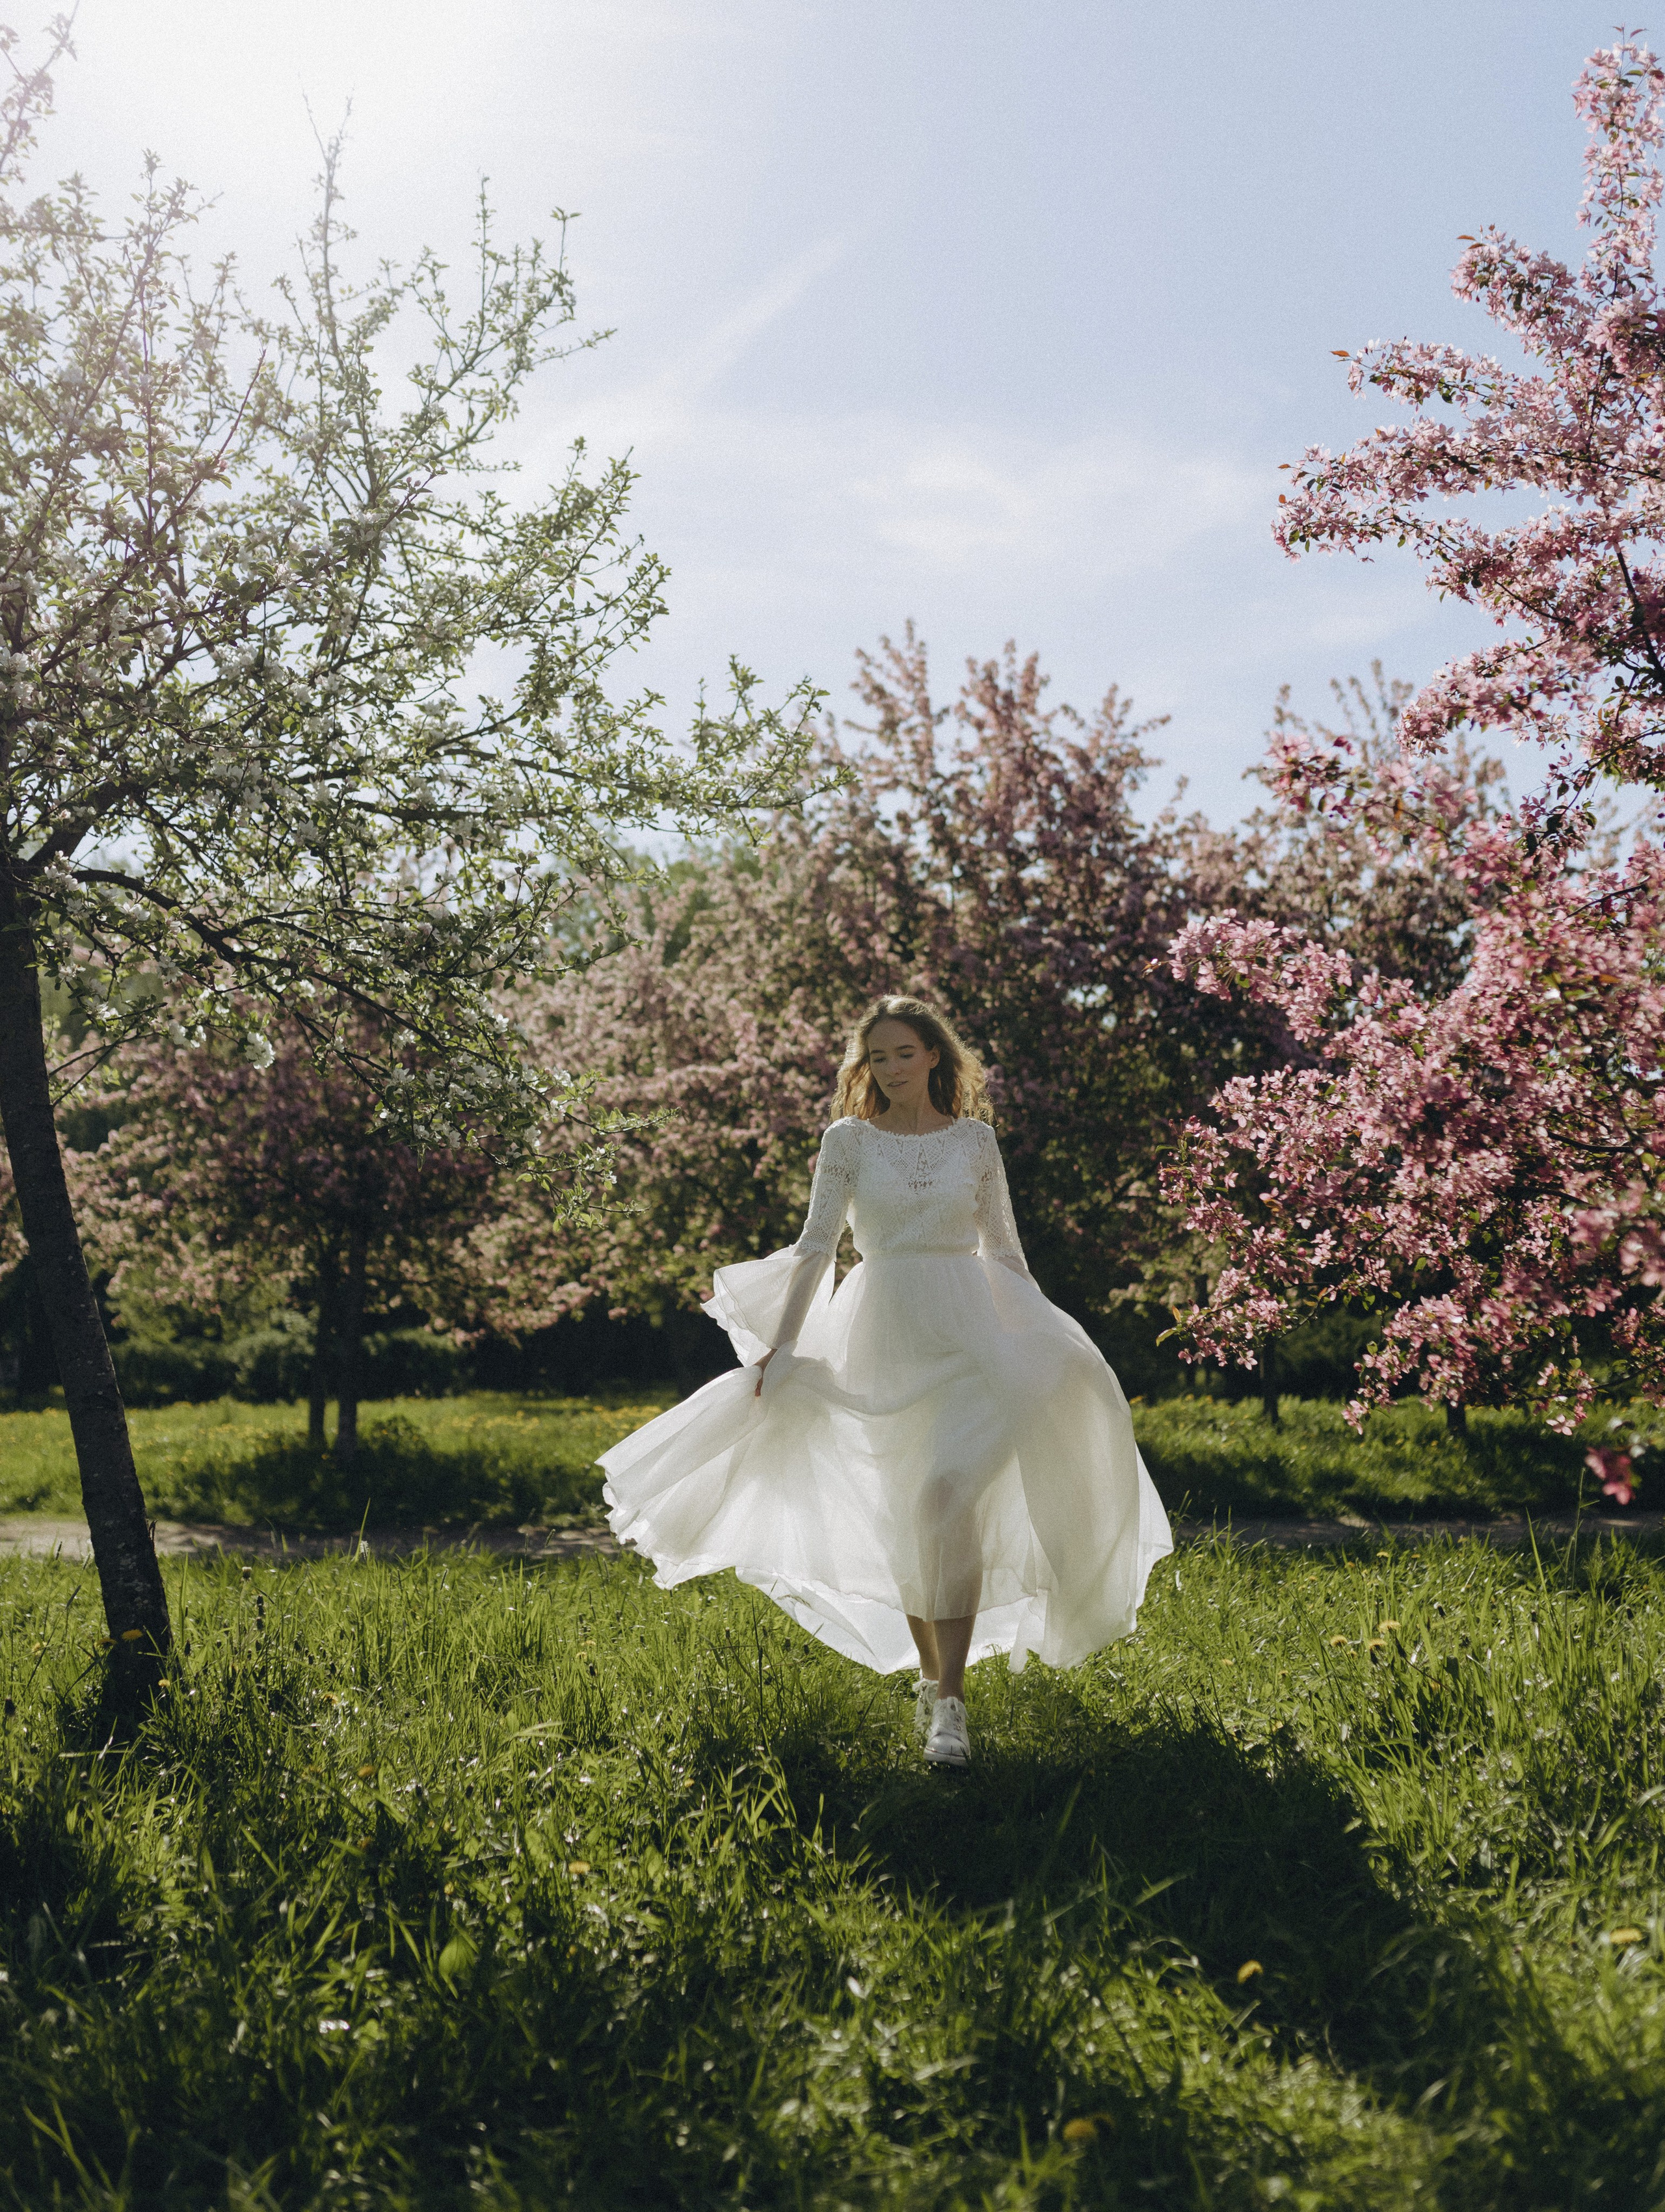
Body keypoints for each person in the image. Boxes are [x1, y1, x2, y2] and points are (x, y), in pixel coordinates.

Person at [600, 995, 1173, 1768]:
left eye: (905, 1052)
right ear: (864, 1068)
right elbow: (814, 1247)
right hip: (879, 1335)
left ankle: (953, 1700)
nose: (893, 1068)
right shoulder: (848, 1139)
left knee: (947, 1497)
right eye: (878, 1057)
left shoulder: (975, 1141)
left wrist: (1042, 1334)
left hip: (970, 1334)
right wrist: (781, 1345)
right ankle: (934, 1683)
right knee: (910, 1514)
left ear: (935, 1055)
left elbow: (1003, 1250)